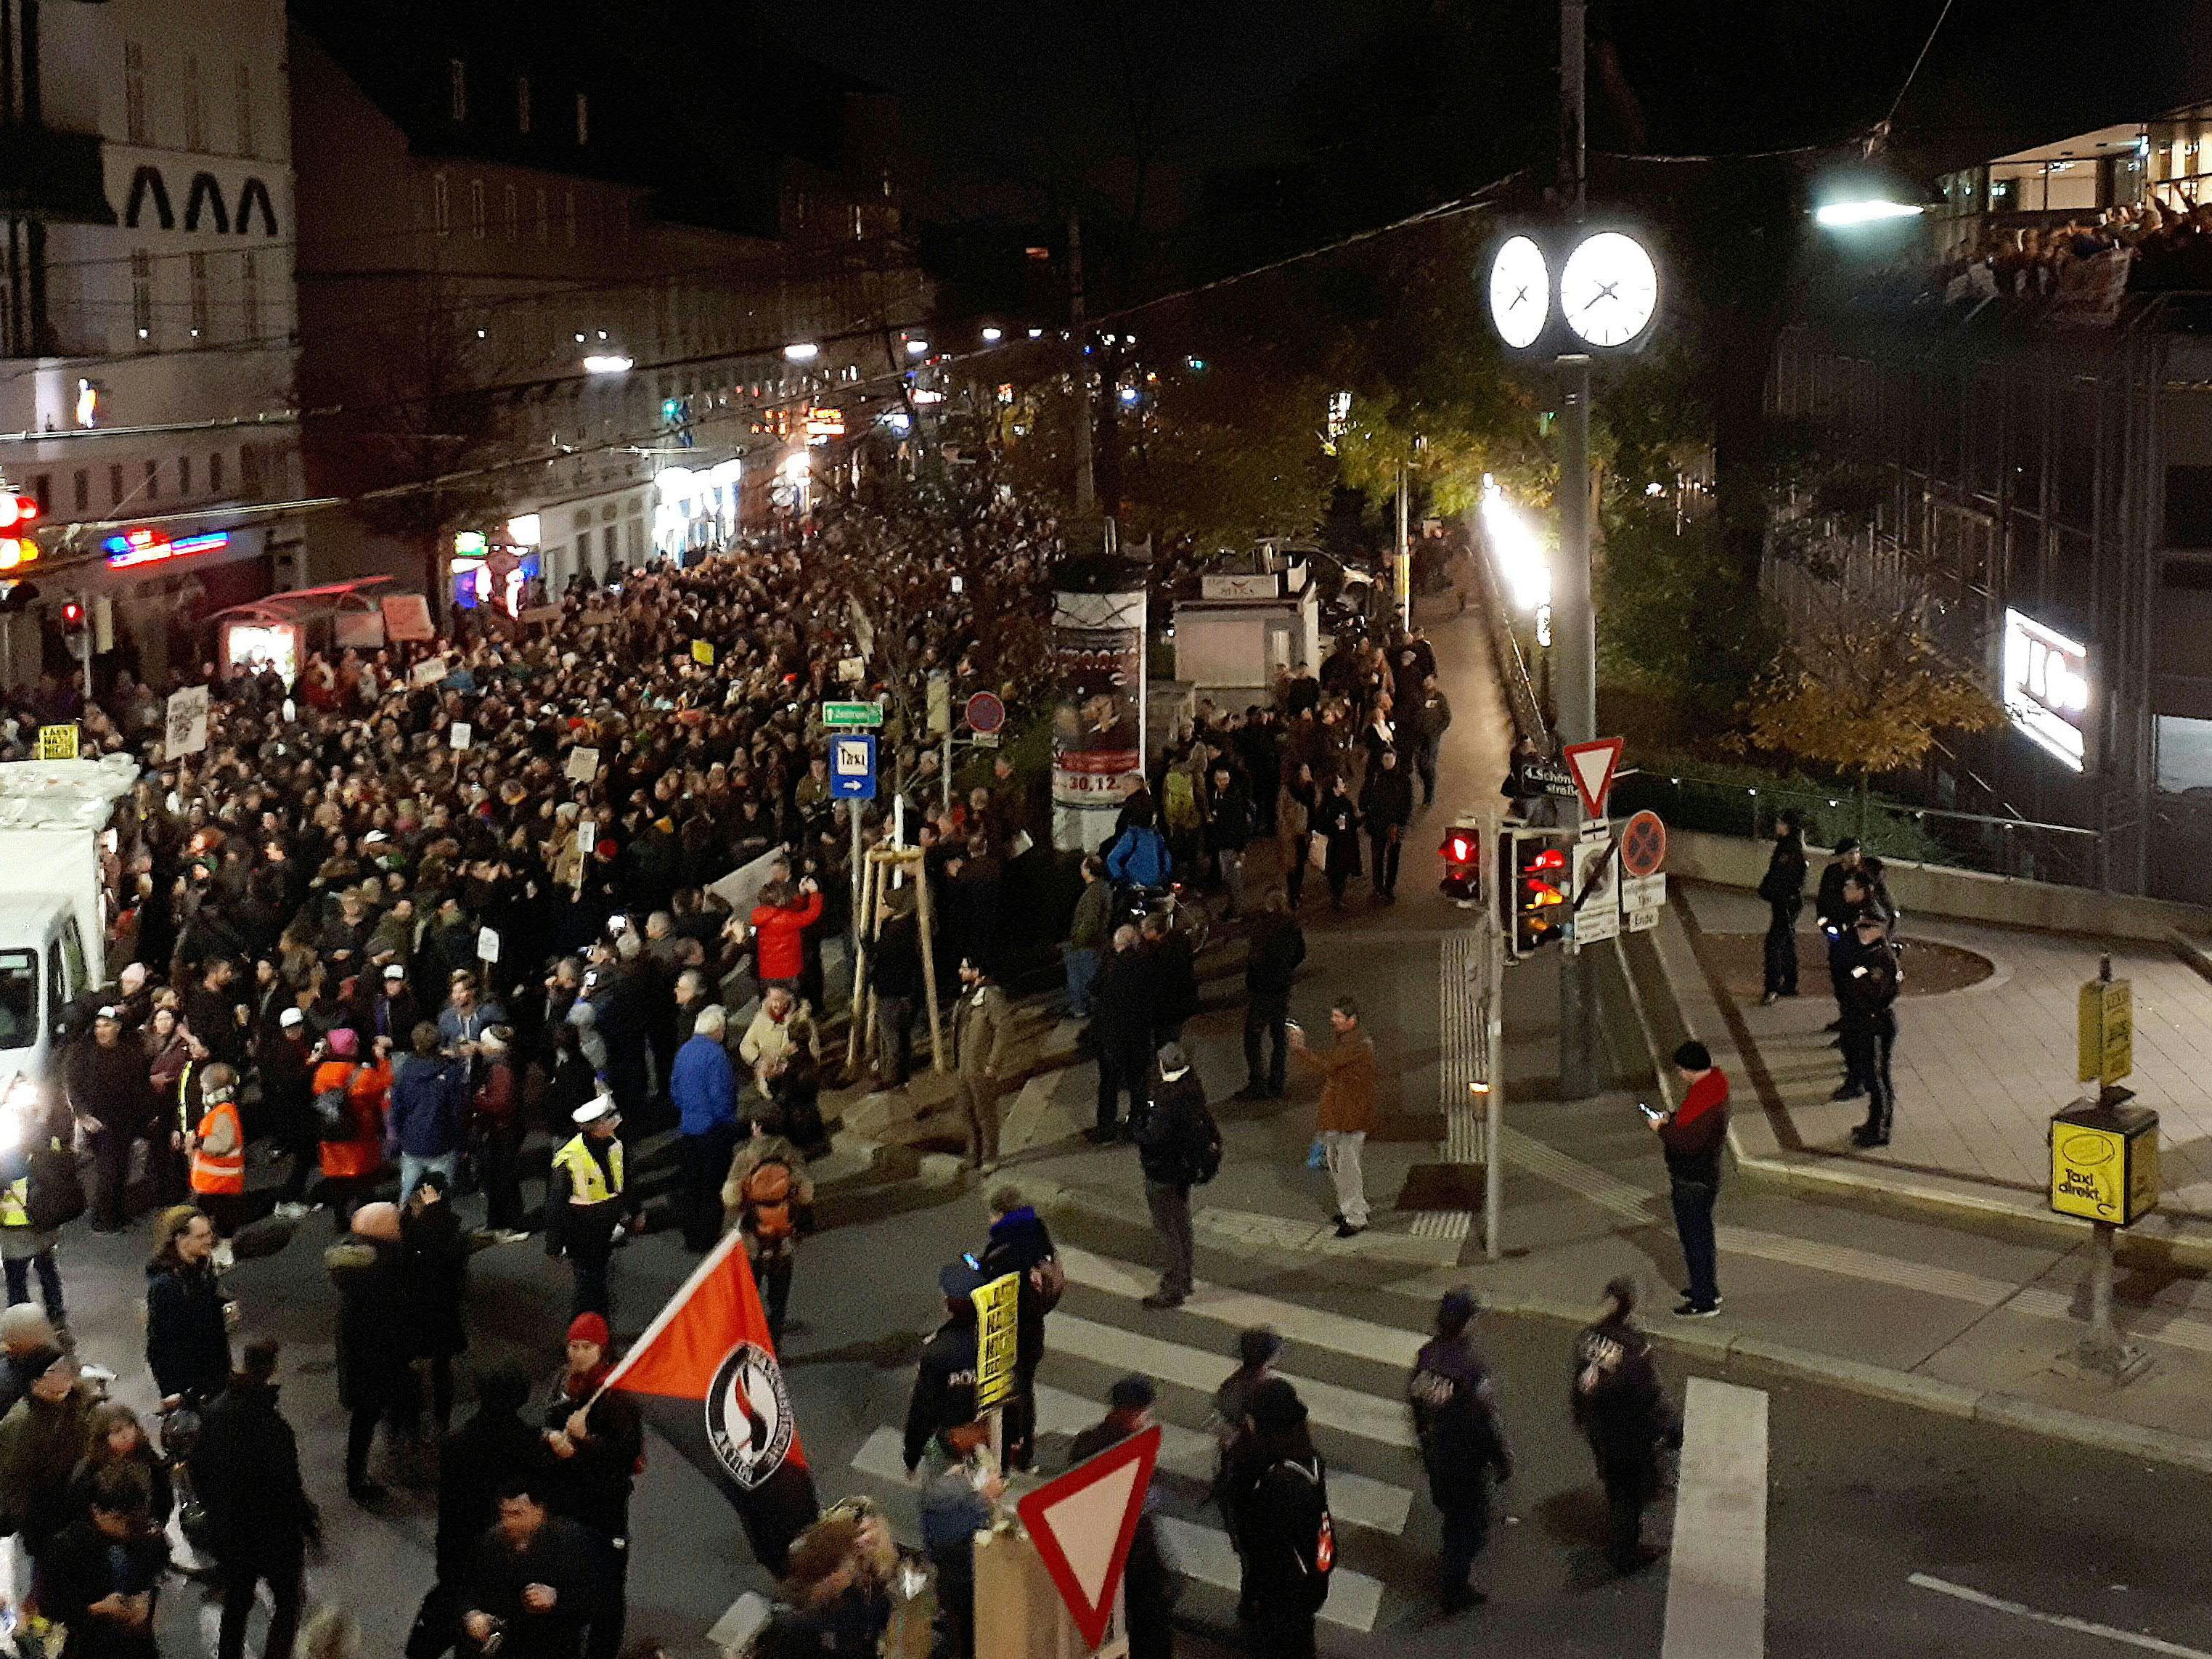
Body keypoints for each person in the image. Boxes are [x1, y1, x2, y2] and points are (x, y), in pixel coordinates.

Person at [194, 1339, 319, 1659]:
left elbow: (201, 1473)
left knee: (237, 1603)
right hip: (275, 1534)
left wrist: (216, 1516)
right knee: (289, 1602)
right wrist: (306, 1522)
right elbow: (287, 1485)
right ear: (271, 1368)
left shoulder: (214, 1414)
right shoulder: (273, 1426)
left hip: (234, 1533)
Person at [419, 1365, 541, 1659]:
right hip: (511, 1556)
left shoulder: (457, 1442)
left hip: (465, 1552)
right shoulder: (530, 1444)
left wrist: (446, 1565)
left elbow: (449, 1513)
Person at [539, 1314, 641, 1659]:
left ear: (602, 1350)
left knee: (608, 1587)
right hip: (568, 1501)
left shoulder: (615, 1395)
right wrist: (551, 1437)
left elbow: (627, 1454)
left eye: (587, 1348)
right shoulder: (563, 1380)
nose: (578, 1354)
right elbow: (547, 1421)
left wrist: (585, 1443)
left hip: (604, 1506)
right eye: (573, 1347)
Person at [1408, 1288, 1511, 1613]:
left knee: (1453, 1513)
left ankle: (1451, 1560)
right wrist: (1501, 1458)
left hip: (1438, 1455)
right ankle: (1454, 1588)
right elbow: (1483, 1421)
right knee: (1471, 1524)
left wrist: (1425, 1442)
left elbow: (1417, 1404)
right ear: (1466, 1323)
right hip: (1465, 1459)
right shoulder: (1471, 1369)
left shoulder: (1426, 1356)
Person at [1570, 1277, 1676, 1573]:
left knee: (1615, 1482)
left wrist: (1582, 1416)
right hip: (1629, 1432)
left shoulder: (1589, 1337)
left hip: (1599, 1427)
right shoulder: (1635, 1347)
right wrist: (1669, 1429)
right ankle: (1625, 1552)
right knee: (1633, 1491)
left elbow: (1580, 1382)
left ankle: (1620, 1528)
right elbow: (1649, 1396)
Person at [1065, 1377, 1172, 1659]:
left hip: (1097, 1551)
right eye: (1145, 1413)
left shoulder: (1087, 1441)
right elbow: (1143, 1498)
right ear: (1132, 1412)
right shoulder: (1132, 1447)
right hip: (1132, 1549)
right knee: (1149, 1619)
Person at [1225, 1378, 1334, 1659]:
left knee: (1277, 1640)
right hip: (1311, 1576)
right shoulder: (1310, 1460)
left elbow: (1256, 1536)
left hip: (1281, 1587)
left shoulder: (1274, 1479)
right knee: (1298, 1637)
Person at [38, 1466, 169, 1659]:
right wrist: (98, 1609)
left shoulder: (148, 1541)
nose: (130, 1530)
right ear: (97, 1511)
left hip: (140, 1647)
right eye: (123, 1520)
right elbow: (53, 1608)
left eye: (138, 1521)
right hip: (91, 1646)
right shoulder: (65, 1548)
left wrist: (148, 1601)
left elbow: (159, 1578)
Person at [325, 1199, 407, 1503]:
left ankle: (358, 1474)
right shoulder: (382, 1270)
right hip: (375, 1361)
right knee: (366, 1419)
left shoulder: (357, 1269)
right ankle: (357, 1479)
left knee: (366, 1418)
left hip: (364, 1362)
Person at [462, 1483, 597, 1659]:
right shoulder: (492, 1541)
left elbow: (593, 1599)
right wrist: (472, 1614)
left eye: (517, 1514)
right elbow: (469, 1588)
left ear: (539, 1512)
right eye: (505, 1514)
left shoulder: (569, 1541)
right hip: (504, 1643)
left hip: (553, 1645)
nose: (508, 1522)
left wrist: (557, 1598)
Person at [976, 1185, 1058, 1472]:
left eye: (992, 1214)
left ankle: (1010, 1452)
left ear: (1002, 1214)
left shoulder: (1003, 1251)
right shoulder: (1037, 1231)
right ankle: (1027, 1452)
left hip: (1012, 1334)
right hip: (1034, 1330)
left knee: (1008, 1395)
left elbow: (988, 1287)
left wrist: (978, 1268)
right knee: (1026, 1389)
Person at [1650, 1041, 1729, 1318]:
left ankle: (1704, 1301)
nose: (1680, 1074)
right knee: (1702, 1237)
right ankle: (1705, 1287)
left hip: (1693, 1180)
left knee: (1695, 1240)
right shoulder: (1712, 1089)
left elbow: (1687, 1144)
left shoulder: (1705, 1101)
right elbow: (1689, 1124)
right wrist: (1674, 1118)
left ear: (1691, 1069)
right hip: (1704, 1177)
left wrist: (1662, 1128)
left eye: (1682, 1069)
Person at [722, 1112, 816, 1346]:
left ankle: (748, 1340)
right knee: (778, 1297)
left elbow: (731, 1197)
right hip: (782, 1239)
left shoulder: (746, 1156)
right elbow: (806, 1194)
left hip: (752, 1239)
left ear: (757, 1128)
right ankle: (774, 1340)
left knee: (748, 1295)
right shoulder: (792, 1155)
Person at [547, 1095, 641, 1322]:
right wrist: (554, 1246)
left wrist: (636, 1211)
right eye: (610, 1118)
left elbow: (625, 1181)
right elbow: (556, 1205)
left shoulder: (616, 1145)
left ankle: (595, 1332)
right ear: (596, 1125)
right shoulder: (569, 1158)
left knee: (596, 1284)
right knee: (588, 1289)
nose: (616, 1120)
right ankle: (586, 1335)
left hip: (607, 1230)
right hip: (582, 1234)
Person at [0, 1345, 92, 1578]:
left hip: (73, 1481)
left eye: (66, 1365)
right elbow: (14, 1484)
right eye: (56, 1370)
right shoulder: (21, 1425)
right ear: (36, 1382)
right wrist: (32, 1524)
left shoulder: (75, 1395)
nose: (67, 1373)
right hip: (42, 1502)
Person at [1290, 997, 1377, 1238]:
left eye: (1338, 1017)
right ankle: (1355, 1208)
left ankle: (1355, 1217)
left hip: (1347, 1120)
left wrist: (1301, 1050)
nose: (1333, 1020)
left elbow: (1328, 1065)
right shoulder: (1352, 1040)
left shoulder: (1355, 1045)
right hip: (1344, 1116)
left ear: (1352, 1020)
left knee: (1345, 1168)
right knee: (1341, 1165)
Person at [1136, 1042, 1213, 1311]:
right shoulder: (1192, 1087)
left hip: (1163, 1172)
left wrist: (1136, 1131)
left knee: (1167, 1229)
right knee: (1182, 1224)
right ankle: (1186, 1277)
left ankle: (1174, 1287)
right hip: (1184, 1171)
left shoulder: (1165, 1100)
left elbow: (1154, 1137)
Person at [64, 1006, 153, 1233]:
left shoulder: (128, 1053)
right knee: (108, 1171)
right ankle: (103, 1219)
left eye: (106, 1026)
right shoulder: (84, 1054)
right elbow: (73, 1088)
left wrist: (145, 1117)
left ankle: (118, 1213)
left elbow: (140, 1085)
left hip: (125, 1122)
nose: (101, 1031)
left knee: (122, 1169)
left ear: (118, 1028)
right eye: (98, 1026)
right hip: (99, 1124)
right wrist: (83, 1116)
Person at [916, 1417, 999, 1659]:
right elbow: (945, 1531)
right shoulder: (938, 1476)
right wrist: (984, 1499)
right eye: (980, 1428)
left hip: (970, 1565)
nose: (987, 1434)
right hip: (958, 1575)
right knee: (967, 1636)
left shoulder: (964, 1454)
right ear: (957, 1432)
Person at [0, 1082, 73, 1329]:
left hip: (15, 1224)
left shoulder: (8, 1147)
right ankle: (56, 1314)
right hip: (44, 1219)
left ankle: (22, 1324)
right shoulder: (47, 1138)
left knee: (17, 1279)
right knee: (47, 1270)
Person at [403, 1172, 470, 1436]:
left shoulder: (443, 1228)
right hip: (435, 1308)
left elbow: (437, 1258)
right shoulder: (421, 1224)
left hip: (432, 1307)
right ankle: (425, 1422)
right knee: (431, 1367)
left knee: (429, 1367)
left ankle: (429, 1422)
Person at [901, 1261, 982, 1477]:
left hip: (950, 1441)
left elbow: (922, 1409)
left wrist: (912, 1455)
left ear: (949, 1304)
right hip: (986, 1438)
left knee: (944, 1494)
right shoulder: (996, 1340)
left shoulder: (937, 1352)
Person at [144, 1206, 232, 1408]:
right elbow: (160, 1344)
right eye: (201, 1236)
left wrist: (222, 1305)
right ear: (180, 1239)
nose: (209, 1240)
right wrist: (173, 1392)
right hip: (190, 1385)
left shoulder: (202, 1267)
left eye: (209, 1233)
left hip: (215, 1372)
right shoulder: (166, 1286)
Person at [670, 1004, 740, 1252]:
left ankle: (691, 1235)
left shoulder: (684, 1051)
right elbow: (723, 1097)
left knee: (692, 1184)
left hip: (689, 1128)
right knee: (712, 1187)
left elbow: (675, 1090)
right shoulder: (717, 1056)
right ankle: (707, 1238)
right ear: (719, 1030)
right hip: (713, 1131)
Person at [312, 1027, 393, 1231]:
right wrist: (383, 1060)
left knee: (338, 1185)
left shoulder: (321, 1073)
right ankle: (368, 1223)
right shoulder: (363, 1076)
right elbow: (384, 1084)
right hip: (359, 1138)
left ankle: (340, 1220)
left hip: (332, 1139)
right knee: (365, 1186)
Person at [388, 1022, 471, 1205]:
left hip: (412, 1142)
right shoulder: (450, 1073)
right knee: (439, 1195)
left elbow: (397, 1109)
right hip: (442, 1141)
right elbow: (457, 1113)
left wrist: (397, 1138)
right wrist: (462, 1144)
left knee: (407, 1192)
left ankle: (404, 1227)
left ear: (416, 1044)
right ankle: (437, 1228)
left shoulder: (404, 1071)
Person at [1839, 910, 1901, 1147]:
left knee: (1878, 1079)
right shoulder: (1869, 954)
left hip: (1877, 1024)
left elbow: (1876, 993)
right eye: (1860, 928)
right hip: (1865, 1022)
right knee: (1872, 1076)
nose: (1861, 932)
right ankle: (1874, 1123)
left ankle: (1881, 1129)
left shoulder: (1882, 959)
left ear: (1879, 931)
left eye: (1867, 929)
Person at [66, 1404, 173, 1539]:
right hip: (105, 1541)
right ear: (103, 1437)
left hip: (146, 1533)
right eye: (117, 1431)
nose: (126, 1435)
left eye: (130, 1426)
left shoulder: (145, 1455)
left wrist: (156, 1523)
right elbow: (79, 1512)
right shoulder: (90, 1469)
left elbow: (164, 1494)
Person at [1087, 926, 1151, 1144]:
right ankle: (1138, 1125)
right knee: (1138, 1082)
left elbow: (1094, 987)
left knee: (1109, 1084)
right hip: (1135, 1034)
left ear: (1117, 944)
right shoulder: (1142, 963)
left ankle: (1106, 1129)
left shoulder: (1110, 963)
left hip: (1110, 1035)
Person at [1239, 890, 1305, 1101]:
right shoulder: (1292, 926)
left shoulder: (1262, 927)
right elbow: (1300, 953)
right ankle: (1277, 1082)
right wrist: (1286, 969)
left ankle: (1258, 1082)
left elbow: (1254, 959)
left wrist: (1252, 983)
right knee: (1278, 1037)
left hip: (1263, 990)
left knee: (1252, 1037)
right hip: (1282, 988)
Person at [950, 958, 1013, 1173]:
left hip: (980, 1066)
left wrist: (993, 1063)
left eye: (965, 968)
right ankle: (975, 1154)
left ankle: (990, 1156)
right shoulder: (966, 997)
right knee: (967, 1112)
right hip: (965, 1068)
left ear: (977, 971)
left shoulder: (991, 996)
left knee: (985, 1114)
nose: (960, 971)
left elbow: (1003, 1029)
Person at [473, 1027, 530, 1242]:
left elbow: (501, 1103)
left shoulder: (500, 1069)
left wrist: (480, 1100)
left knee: (503, 1179)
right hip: (504, 1129)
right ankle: (498, 1222)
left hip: (503, 1130)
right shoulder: (504, 1063)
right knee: (497, 1178)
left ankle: (513, 1224)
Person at [187, 1063, 248, 1254]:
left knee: (220, 1224)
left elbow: (223, 1144)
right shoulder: (222, 1111)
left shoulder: (223, 1113)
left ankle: (222, 1255)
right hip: (216, 1183)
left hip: (219, 1184)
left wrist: (198, 1143)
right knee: (218, 1221)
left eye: (205, 1085)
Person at [1758, 809, 1808, 1006]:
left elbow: (1782, 878)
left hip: (1786, 902)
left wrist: (1769, 890)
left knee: (1774, 945)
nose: (1776, 825)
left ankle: (1772, 987)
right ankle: (1789, 982)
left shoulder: (1790, 850)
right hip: (1788, 902)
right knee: (1786, 940)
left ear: (1787, 826)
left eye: (1780, 822)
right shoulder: (1790, 847)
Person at [1813, 837, 1864, 1031]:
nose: (1855, 857)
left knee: (1851, 978)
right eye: (1851, 853)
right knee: (1838, 976)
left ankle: (1851, 1021)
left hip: (1852, 934)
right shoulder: (1832, 873)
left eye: (1857, 853)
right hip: (1835, 931)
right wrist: (1826, 928)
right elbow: (1822, 902)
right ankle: (1845, 1017)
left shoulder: (1860, 876)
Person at [1360, 746, 1415, 902]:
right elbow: (1364, 797)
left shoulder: (1403, 779)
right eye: (1385, 759)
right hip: (1377, 824)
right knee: (1377, 858)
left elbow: (1407, 803)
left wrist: (1400, 822)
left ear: (1396, 759)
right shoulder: (1375, 777)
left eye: (1390, 758)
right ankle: (1378, 888)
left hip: (1393, 826)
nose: (1388, 762)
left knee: (1392, 858)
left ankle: (1389, 888)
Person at [1061, 855, 1113, 1021]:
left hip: (1087, 943)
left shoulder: (1093, 893)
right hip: (1096, 941)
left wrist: (1078, 940)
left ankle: (1081, 1008)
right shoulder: (1103, 888)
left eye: (1083, 867)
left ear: (1089, 871)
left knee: (1081, 975)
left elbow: (1090, 920)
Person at [1314, 774, 1362, 910]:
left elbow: (1352, 822)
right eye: (1341, 783)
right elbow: (1320, 826)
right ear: (1334, 788)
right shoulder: (1328, 805)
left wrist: (1362, 818)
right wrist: (1334, 824)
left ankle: (1338, 897)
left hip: (1347, 843)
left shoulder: (1345, 802)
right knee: (1337, 873)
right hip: (1335, 845)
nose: (1344, 785)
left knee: (1343, 872)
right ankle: (1336, 899)